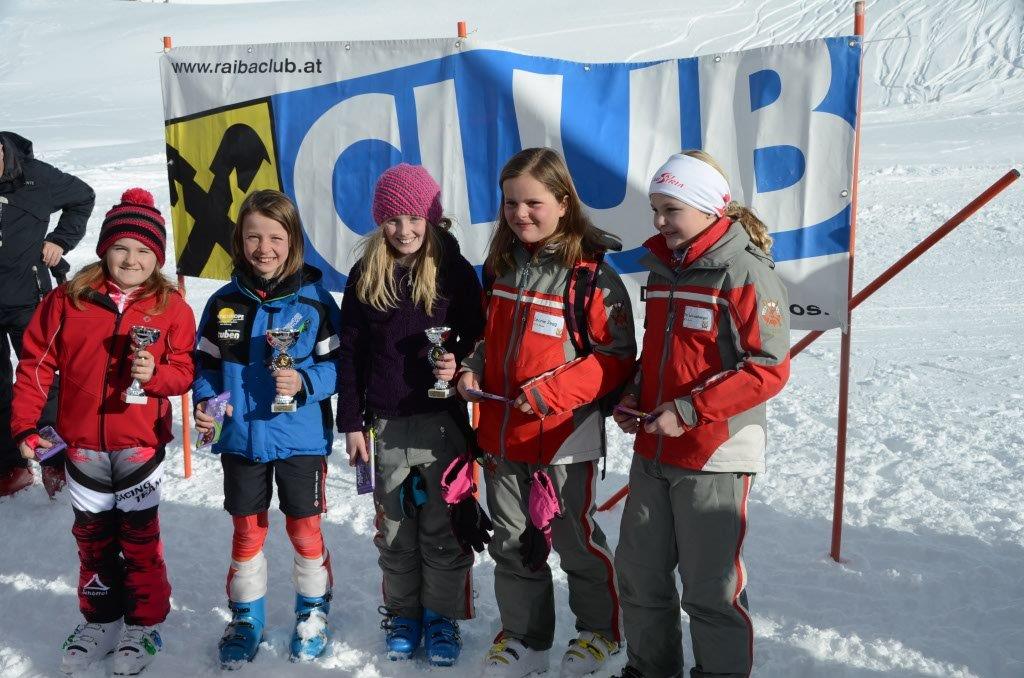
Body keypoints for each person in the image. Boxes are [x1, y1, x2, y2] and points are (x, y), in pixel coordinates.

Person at [456, 147, 636, 678]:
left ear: (563, 201)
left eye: (533, 202)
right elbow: (487, 339)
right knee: (512, 543)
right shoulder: (501, 264)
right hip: (502, 434)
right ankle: (525, 638)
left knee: (575, 541)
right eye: (510, 202)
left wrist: (552, 393)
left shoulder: (591, 276)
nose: (520, 214)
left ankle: (600, 632)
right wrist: (471, 369)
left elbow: (616, 359)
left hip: (563, 438)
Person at [611, 150, 792, 678]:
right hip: (655, 447)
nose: (659, 221)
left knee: (710, 587)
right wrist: (635, 395)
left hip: (713, 453)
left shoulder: (743, 270)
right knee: (640, 574)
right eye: (655, 209)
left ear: (710, 208)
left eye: (671, 209)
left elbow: (768, 368)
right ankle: (650, 669)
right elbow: (660, 353)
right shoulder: (663, 267)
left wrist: (689, 411)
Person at [10, 188, 195, 675]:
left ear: (157, 257)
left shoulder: (171, 307)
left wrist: (154, 375)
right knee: (92, 538)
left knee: (139, 537)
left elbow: (184, 372)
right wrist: (25, 424)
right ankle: (101, 618)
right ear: (104, 248)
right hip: (82, 446)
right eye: (121, 247)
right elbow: (35, 366)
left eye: (144, 250)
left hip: (139, 446)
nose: (131, 260)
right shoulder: (67, 300)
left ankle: (144, 622)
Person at [337, 163, 487, 666]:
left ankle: (441, 615)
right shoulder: (366, 273)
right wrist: (351, 422)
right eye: (393, 219)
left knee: (443, 525)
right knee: (395, 528)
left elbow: (479, 338)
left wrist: (459, 362)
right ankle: (404, 613)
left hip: (443, 423)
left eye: (415, 218)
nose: (404, 230)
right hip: (385, 423)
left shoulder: (454, 270)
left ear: (432, 218)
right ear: (379, 221)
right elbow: (351, 353)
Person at [192, 189, 341, 668]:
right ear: (240, 239)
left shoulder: (316, 302)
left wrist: (304, 383)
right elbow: (205, 365)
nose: (264, 248)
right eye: (254, 236)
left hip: (300, 438)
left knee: (304, 526)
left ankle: (312, 610)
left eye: (276, 237)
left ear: (293, 240)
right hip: (240, 438)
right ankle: (246, 616)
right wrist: (206, 402)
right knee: (247, 528)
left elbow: (340, 366)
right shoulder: (223, 302)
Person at [0, 130, 95, 498]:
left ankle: (54, 461)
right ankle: (11, 465)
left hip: (28, 299)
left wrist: (59, 240)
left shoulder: (36, 176)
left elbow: (83, 196)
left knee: (40, 382)